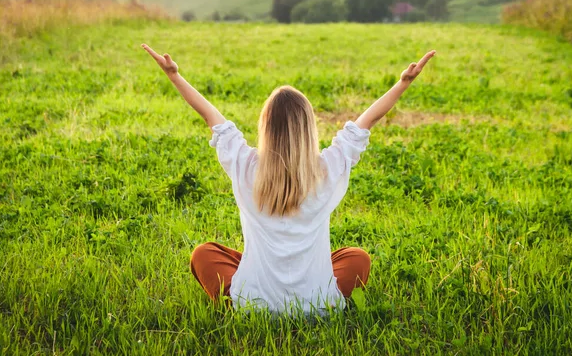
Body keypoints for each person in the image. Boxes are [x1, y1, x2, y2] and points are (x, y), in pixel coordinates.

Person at [142, 43, 436, 314]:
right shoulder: (327, 169)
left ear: (265, 128)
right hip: (319, 304)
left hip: (253, 305)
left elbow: (210, 116)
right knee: (357, 258)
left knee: (204, 254)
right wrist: (403, 83)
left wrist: (174, 76)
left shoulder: (246, 166)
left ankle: (240, 298)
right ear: (308, 127)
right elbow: (367, 121)